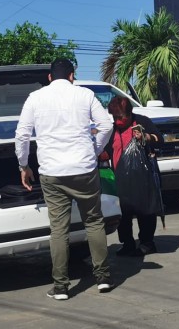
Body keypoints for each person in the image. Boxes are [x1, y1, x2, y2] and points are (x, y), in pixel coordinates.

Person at [15, 58, 115, 300]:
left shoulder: (35, 98)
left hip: (52, 172)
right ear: (72, 76)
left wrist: (23, 165)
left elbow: (22, 135)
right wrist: (93, 150)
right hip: (84, 169)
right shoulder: (85, 95)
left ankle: (61, 287)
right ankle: (102, 278)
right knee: (93, 221)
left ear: (49, 77)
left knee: (59, 229)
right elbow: (106, 125)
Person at [104, 96, 162, 257]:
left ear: (129, 114)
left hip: (142, 176)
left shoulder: (142, 122)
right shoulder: (112, 129)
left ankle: (147, 243)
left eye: (121, 117)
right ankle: (127, 243)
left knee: (145, 210)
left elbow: (160, 139)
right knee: (123, 213)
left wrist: (147, 137)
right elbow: (108, 150)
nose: (118, 121)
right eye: (115, 118)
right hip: (119, 177)